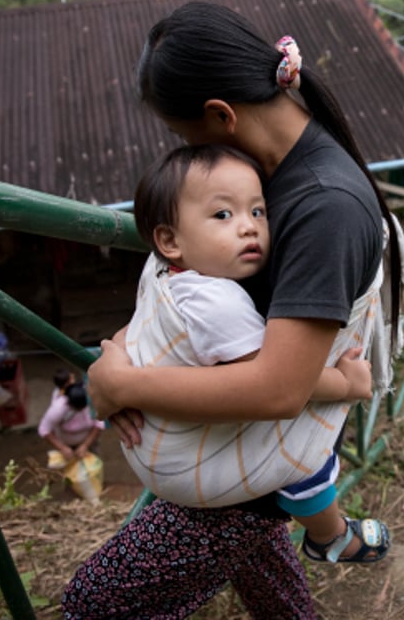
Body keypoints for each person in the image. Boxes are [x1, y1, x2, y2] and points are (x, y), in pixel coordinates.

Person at [62, 2, 404, 620]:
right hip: (242, 450)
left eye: (185, 136)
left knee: (95, 604)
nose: (186, 154)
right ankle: (327, 553)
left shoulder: (320, 207)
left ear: (221, 115)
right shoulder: (257, 177)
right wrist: (130, 350)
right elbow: (186, 284)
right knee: (268, 576)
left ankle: (333, 538)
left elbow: (278, 390)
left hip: (249, 458)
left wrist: (122, 382)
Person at [120, 143, 384, 558]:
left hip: (149, 443)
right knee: (303, 458)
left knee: (262, 560)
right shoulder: (218, 302)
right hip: (184, 467)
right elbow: (279, 378)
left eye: (258, 212)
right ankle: (329, 536)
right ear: (169, 240)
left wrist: (114, 367)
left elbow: (137, 329)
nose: (249, 227)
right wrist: (347, 384)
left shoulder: (163, 274)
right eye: (223, 215)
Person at [38, 381, 104, 468]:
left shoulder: (92, 403)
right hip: (66, 444)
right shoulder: (58, 409)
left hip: (89, 442)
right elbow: (44, 430)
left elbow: (99, 425)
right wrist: (62, 448)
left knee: (93, 469)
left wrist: (85, 445)